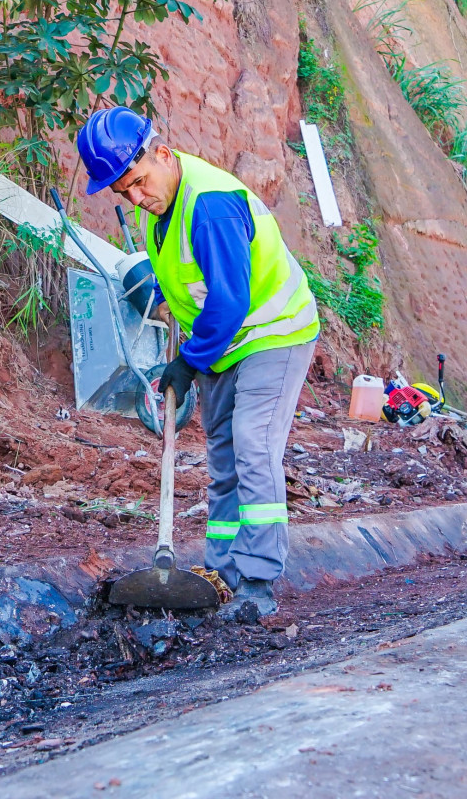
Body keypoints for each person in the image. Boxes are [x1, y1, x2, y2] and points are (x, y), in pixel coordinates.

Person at [76, 106, 319, 620]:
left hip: (273, 334)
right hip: (226, 344)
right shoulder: (162, 208)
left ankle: (257, 583)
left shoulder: (208, 205)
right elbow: (191, 275)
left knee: (253, 447)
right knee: (225, 459)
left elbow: (229, 302)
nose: (137, 198)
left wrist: (186, 364)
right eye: (125, 193)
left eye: (139, 182)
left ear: (163, 154)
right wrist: (158, 286)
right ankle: (220, 575)